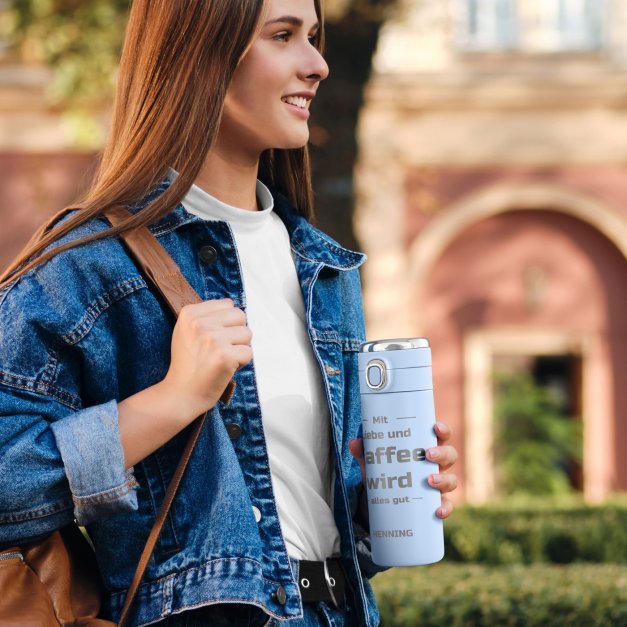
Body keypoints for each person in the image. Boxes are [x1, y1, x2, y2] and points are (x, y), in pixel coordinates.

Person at [0, 0, 458, 625]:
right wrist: (167, 403)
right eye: (283, 35)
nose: (317, 64)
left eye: (314, 37)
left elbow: (293, 526)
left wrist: (384, 502)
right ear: (201, 54)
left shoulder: (324, 270)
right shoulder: (89, 267)